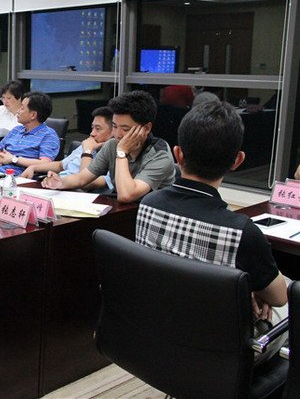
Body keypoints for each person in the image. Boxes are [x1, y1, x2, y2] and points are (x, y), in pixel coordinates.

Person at [135, 100, 288, 363]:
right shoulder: (241, 231)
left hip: (158, 335)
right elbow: (278, 297)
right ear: (237, 161)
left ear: (178, 154)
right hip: (221, 355)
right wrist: (253, 288)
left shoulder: (148, 205)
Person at [42, 90, 175, 203]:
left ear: (146, 128)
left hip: (148, 216)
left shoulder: (160, 154)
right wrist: (60, 182)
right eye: (115, 127)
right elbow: (83, 178)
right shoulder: (112, 145)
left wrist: (121, 152)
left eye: (125, 129)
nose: (117, 135)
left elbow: (126, 195)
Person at [20, 106, 114, 191]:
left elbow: (85, 182)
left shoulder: (111, 154)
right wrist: (34, 167)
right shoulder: (88, 144)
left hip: (76, 193)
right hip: (59, 185)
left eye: (98, 129)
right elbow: (61, 165)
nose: (92, 133)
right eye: (92, 128)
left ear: (113, 132)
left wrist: (87, 152)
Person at [0, 92, 60, 176]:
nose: (18, 111)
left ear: (33, 115)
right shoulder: (16, 130)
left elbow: (45, 163)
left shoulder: (48, 135)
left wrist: (14, 159)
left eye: (22, 108)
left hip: (20, 177)